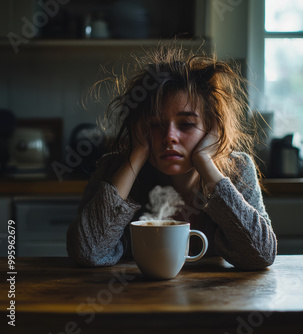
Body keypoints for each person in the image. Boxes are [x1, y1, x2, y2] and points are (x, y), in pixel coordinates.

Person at [66, 46, 277, 270]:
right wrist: (135, 157)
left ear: (211, 128)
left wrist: (204, 160)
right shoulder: (113, 170)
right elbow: (88, 252)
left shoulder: (237, 168)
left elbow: (260, 254)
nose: (169, 137)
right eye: (155, 125)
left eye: (186, 124)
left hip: (213, 300)